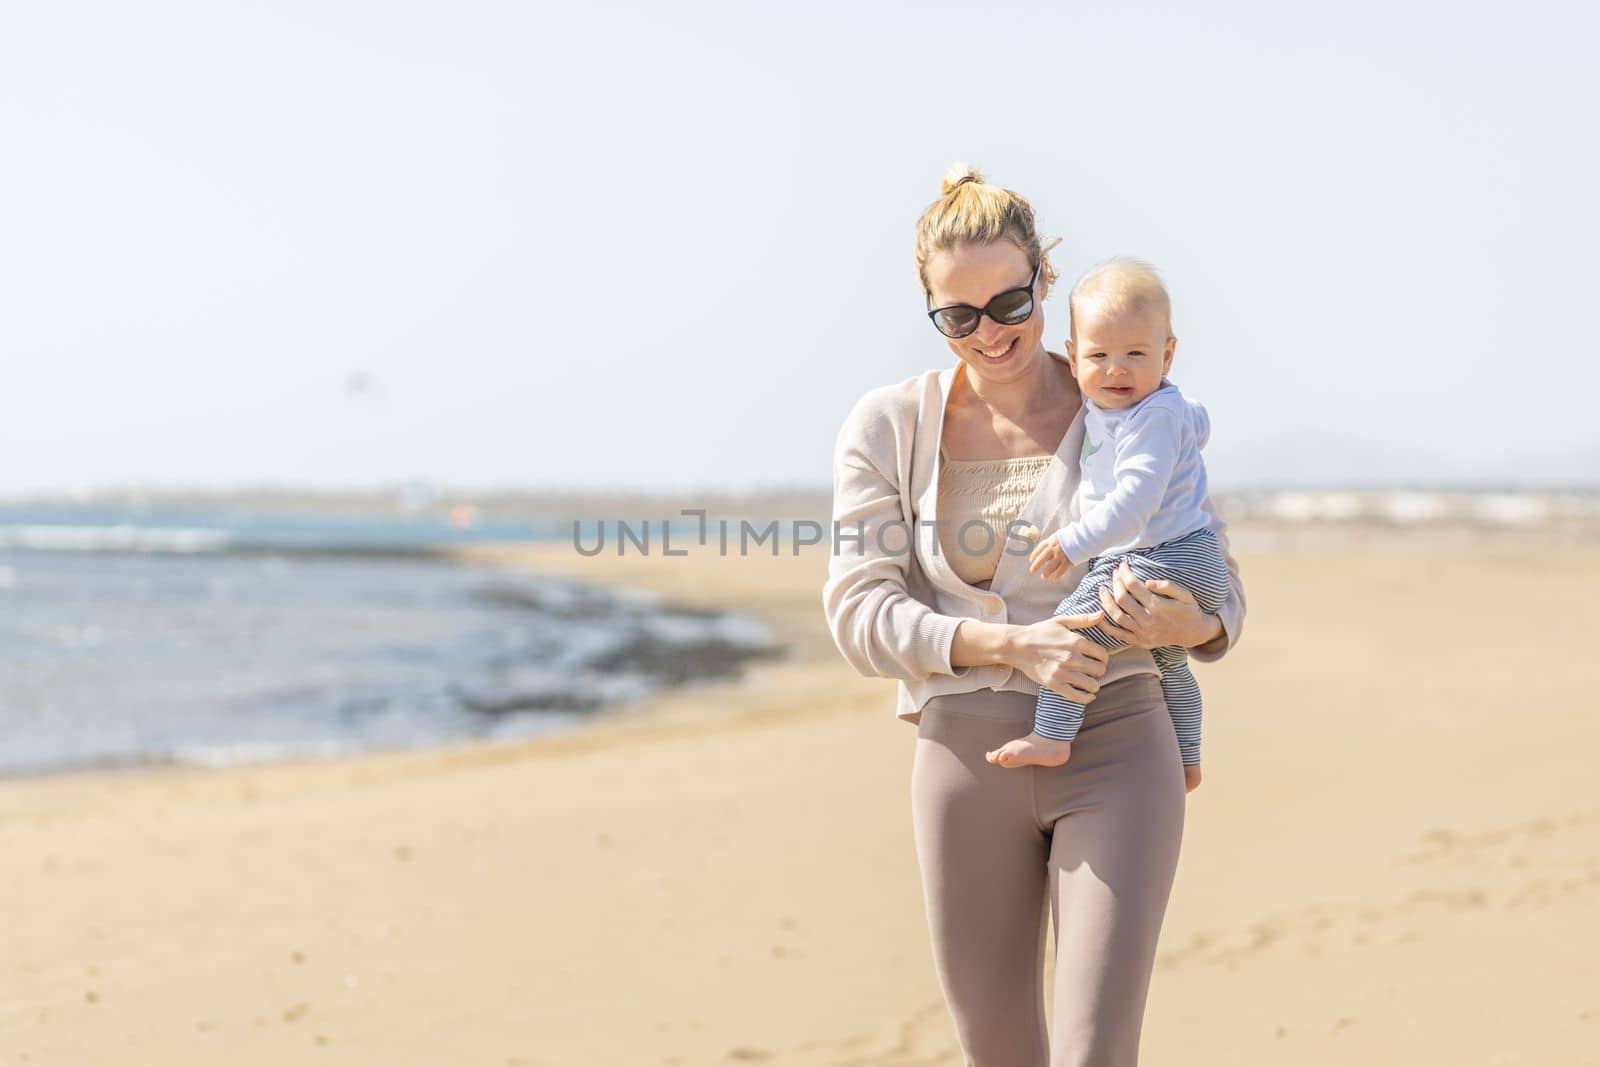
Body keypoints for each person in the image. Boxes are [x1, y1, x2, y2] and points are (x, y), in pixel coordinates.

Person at [821, 163, 1247, 1066]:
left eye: (1010, 302)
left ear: (1045, 280)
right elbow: (859, 610)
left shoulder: (1128, 400)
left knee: (1098, 1050)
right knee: (1000, 1051)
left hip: (1122, 742)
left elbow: (1222, 586)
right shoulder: (887, 426)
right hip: (962, 759)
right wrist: (1006, 642)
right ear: (931, 312)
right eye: (959, 316)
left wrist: (1190, 625)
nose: (990, 332)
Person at [985, 258, 1230, 786]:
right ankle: (1188, 757)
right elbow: (1197, 421)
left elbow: (1135, 501)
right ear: (1073, 359)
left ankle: (1051, 737)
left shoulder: (1151, 415)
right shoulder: (1155, 410)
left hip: (1162, 557)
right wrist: (1190, 432)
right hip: (1186, 558)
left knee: (1076, 630)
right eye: (1100, 356)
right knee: (1171, 664)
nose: (1116, 370)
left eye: (1135, 354)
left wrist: (1072, 542)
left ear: (1167, 354)